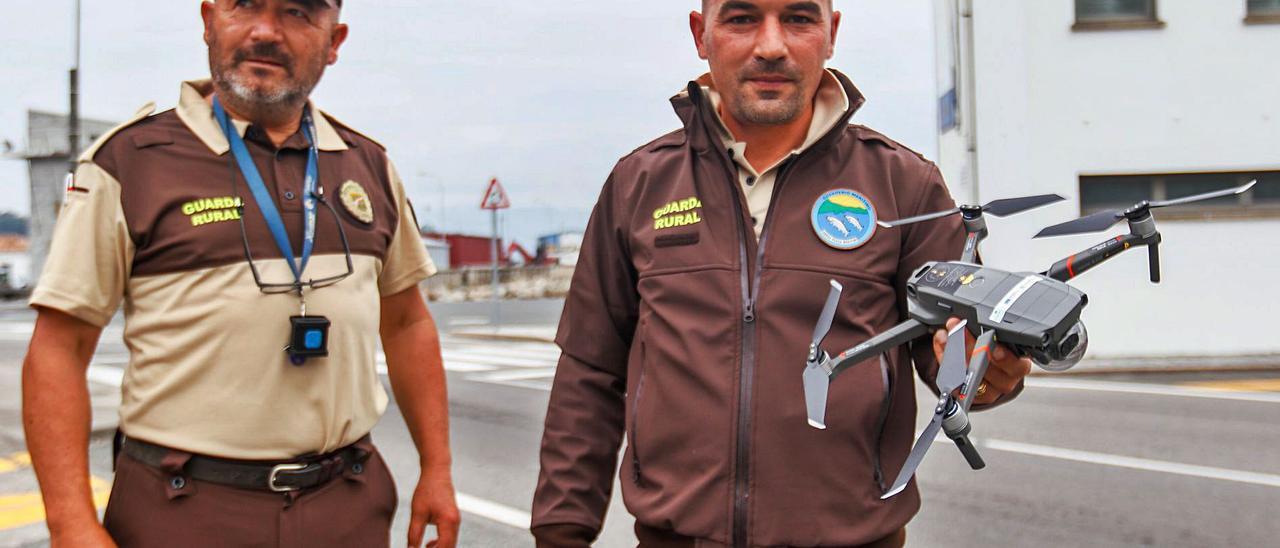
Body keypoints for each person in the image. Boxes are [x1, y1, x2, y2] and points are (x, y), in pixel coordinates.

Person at [531, 1, 1033, 546]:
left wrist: (985, 372)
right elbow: (588, 372)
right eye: (742, 18)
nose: (771, 46)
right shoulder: (639, 184)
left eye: (798, 18)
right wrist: (562, 531)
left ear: (831, 33)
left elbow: (959, 350)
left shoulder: (904, 185)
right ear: (702, 34)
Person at [21, 1, 459, 546]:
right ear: (208, 20)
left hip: (347, 506)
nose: (265, 32)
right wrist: (70, 524)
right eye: (244, 5)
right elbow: (60, 347)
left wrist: (437, 469)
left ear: (335, 40)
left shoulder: (367, 164)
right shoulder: (128, 162)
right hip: (182, 511)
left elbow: (406, 324)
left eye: (298, 12)